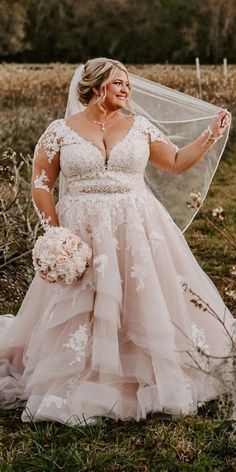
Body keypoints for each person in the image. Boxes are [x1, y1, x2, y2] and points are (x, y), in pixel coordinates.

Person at [0, 57, 234, 425]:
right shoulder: (59, 131)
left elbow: (174, 161)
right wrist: (56, 233)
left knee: (143, 300)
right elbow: (41, 185)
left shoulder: (140, 127)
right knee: (83, 303)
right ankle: (84, 377)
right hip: (81, 229)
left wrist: (210, 135)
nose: (127, 90)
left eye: (128, 84)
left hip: (137, 226)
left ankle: (144, 370)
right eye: (119, 83)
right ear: (95, 86)